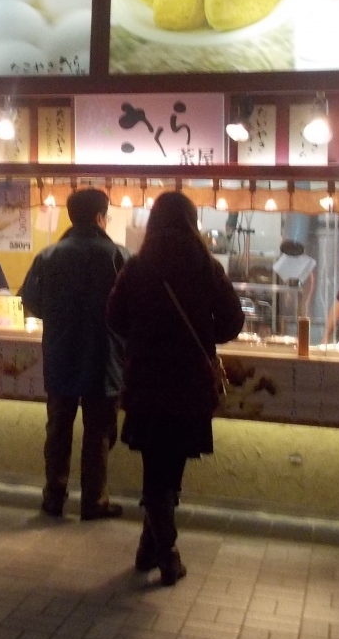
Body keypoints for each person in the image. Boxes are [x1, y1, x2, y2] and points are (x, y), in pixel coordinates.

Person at [107, 191, 243, 585]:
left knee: (156, 468)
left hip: (147, 380)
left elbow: (113, 316)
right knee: (171, 469)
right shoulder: (206, 266)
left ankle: (150, 548)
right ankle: (167, 554)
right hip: (188, 383)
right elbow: (233, 320)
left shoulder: (137, 266)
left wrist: (142, 337)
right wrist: (203, 335)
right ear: (192, 221)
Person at [20, 187, 128, 520]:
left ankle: (54, 496)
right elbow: (132, 307)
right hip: (103, 356)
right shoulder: (118, 255)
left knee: (58, 428)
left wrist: (58, 317)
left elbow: (30, 301)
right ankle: (94, 500)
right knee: (99, 432)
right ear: (100, 217)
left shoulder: (49, 255)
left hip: (60, 353)